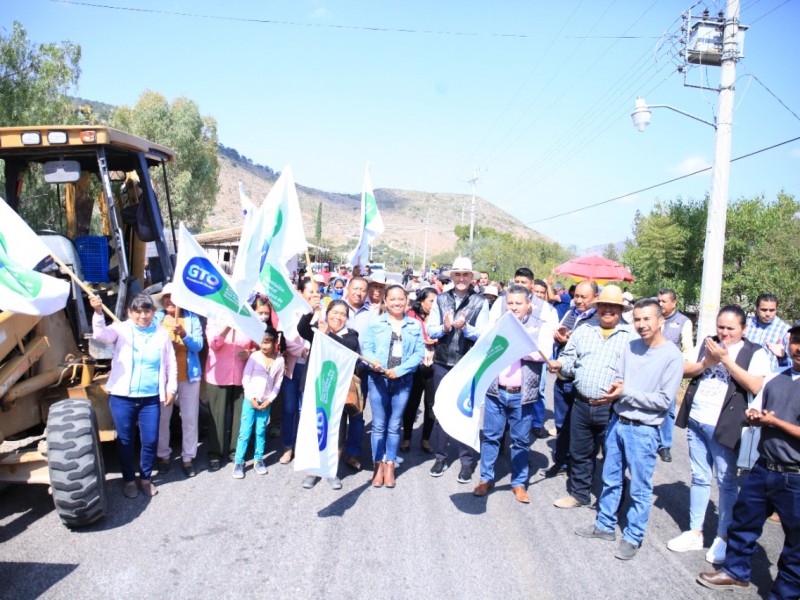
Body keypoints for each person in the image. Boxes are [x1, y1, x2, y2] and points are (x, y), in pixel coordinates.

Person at [574, 299, 684, 560]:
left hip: (644, 430)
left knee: (639, 488)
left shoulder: (672, 356)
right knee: (610, 479)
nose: (642, 324)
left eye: (647, 319)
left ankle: (633, 537)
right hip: (618, 423)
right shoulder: (631, 347)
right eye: (637, 319)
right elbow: (620, 381)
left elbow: (664, 401)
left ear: (661, 321)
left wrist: (626, 393)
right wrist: (613, 391)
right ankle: (604, 525)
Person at [697, 321, 800, 597]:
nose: (798, 348)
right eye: (796, 340)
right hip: (764, 467)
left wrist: (775, 422)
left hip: (795, 476)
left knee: (796, 540)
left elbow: (778, 422)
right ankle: (735, 572)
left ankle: (785, 592)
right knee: (743, 522)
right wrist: (755, 418)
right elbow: (754, 410)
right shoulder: (777, 377)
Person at [668, 305, 770, 564]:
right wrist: (707, 363)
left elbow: (757, 385)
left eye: (730, 329)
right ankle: (694, 531)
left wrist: (726, 361)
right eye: (720, 327)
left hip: (727, 424)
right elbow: (685, 369)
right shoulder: (708, 344)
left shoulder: (754, 352)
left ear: (744, 329)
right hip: (698, 419)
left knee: (726, 482)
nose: (724, 333)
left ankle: (724, 537)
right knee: (699, 477)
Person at [549, 285, 634, 509]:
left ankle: (612, 502)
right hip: (582, 403)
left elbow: (639, 372)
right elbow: (569, 361)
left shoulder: (632, 336)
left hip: (614, 408)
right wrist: (559, 364)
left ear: (621, 310)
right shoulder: (584, 330)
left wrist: (626, 386)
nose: (608, 310)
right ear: (597, 306)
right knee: (580, 452)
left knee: (614, 457)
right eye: (604, 305)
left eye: (613, 307)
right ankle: (579, 494)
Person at [89, 293, 177, 498]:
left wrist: (171, 389)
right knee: (126, 440)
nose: (142, 316)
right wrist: (98, 312)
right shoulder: (122, 329)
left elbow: (171, 364)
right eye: (137, 312)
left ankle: (145, 478)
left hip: (151, 398)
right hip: (122, 397)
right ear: (129, 313)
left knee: (150, 439)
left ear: (153, 313)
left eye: (147, 311)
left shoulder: (161, 333)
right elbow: (100, 335)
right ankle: (129, 480)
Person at [473, 285, 554, 503]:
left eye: (519, 303)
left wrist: (519, 347)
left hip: (522, 395)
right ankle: (485, 479)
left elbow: (544, 353)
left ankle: (519, 483)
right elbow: (486, 347)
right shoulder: (498, 323)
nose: (514, 307)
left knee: (520, 441)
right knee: (491, 437)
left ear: (529, 305)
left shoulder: (540, 326)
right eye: (510, 303)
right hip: (496, 393)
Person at [427, 257, 489, 483]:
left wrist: (466, 329)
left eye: (466, 275)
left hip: (468, 364)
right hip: (443, 363)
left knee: (467, 412)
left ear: (471, 277)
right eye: (457, 275)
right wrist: (444, 327)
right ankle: (440, 456)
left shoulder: (481, 302)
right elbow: (431, 330)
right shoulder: (440, 299)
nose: (461, 278)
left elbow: (483, 334)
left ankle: (466, 462)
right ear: (451, 277)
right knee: (441, 411)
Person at [362, 285, 425, 488]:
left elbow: (418, 353)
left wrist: (401, 370)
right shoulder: (375, 323)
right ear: (386, 302)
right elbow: (367, 348)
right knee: (379, 425)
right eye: (392, 299)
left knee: (394, 425)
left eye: (401, 299)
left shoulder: (415, 326)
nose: (397, 303)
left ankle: (390, 464)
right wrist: (374, 362)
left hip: (403, 381)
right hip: (378, 379)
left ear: (407, 300)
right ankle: (378, 464)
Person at [297, 299, 361, 489]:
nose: (338, 317)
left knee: (336, 431)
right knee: (314, 427)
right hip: (315, 387)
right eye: (335, 312)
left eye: (343, 314)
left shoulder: (351, 335)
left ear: (347, 319)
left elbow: (348, 347)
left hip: (336, 391)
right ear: (328, 313)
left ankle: (331, 471)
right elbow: (302, 329)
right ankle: (312, 470)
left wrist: (327, 336)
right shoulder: (319, 327)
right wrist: (311, 311)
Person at [546, 280, 598, 478]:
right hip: (562, 377)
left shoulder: (596, 320)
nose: (579, 300)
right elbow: (558, 334)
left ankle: (579, 467)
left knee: (579, 427)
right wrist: (558, 336)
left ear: (595, 298)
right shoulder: (569, 313)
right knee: (561, 422)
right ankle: (561, 460)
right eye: (576, 296)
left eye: (584, 297)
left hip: (580, 380)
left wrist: (572, 341)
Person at [153, 283, 204, 478]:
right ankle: (163, 455)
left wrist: (184, 335)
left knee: (189, 418)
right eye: (166, 297)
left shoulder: (192, 319)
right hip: (164, 377)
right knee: (162, 418)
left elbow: (198, 345)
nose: (169, 300)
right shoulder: (156, 319)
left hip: (188, 375)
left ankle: (188, 457)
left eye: (173, 297)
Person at [204, 315, 259, 472]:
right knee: (217, 416)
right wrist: (227, 327)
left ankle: (236, 450)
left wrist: (249, 352)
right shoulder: (214, 319)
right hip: (218, 375)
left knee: (240, 415)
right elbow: (213, 344)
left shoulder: (247, 319)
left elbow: (257, 345)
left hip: (243, 375)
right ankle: (215, 452)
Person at [278, 277, 320, 465]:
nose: (314, 295)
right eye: (310, 291)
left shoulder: (323, 313)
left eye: (317, 291)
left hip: (312, 367)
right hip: (293, 368)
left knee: (306, 410)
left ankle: (303, 447)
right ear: (301, 293)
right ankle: (288, 446)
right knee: (289, 409)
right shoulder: (290, 313)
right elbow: (285, 341)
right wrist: (301, 351)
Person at [232, 328, 284, 479]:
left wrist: (269, 400)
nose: (264, 346)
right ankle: (239, 462)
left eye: (268, 343)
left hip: (265, 403)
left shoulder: (280, 360)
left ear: (275, 343)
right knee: (245, 432)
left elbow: (277, 383)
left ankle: (258, 459)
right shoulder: (254, 357)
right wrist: (251, 399)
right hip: (251, 401)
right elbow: (246, 379)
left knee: (260, 431)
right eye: (262, 342)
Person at [656, 288, 694, 463]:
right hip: (651, 370)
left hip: (670, 373)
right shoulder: (654, 318)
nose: (661, 304)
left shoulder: (683, 322)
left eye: (664, 301)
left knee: (668, 409)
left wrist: (679, 366)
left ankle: (665, 445)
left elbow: (687, 349)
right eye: (659, 301)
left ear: (674, 303)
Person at [401, 287, 439, 453]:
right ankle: (407, 438)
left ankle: (425, 439)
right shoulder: (411, 316)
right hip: (415, 366)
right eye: (432, 301)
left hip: (434, 365)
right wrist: (425, 340)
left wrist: (437, 339)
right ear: (422, 300)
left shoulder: (440, 317)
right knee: (412, 403)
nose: (434, 304)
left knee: (431, 406)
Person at [341, 276, 371, 470]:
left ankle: (352, 453)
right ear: (348, 289)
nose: (358, 292)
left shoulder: (372, 315)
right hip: (336, 370)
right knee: (335, 414)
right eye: (355, 288)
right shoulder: (337, 309)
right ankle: (331, 452)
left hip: (360, 372)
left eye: (362, 290)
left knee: (356, 415)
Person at [745, 293, 791, 373]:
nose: (768, 314)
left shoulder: (785, 330)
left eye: (772, 310)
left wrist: (783, 357)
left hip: (769, 381)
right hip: (743, 376)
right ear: (757, 308)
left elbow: (792, 365)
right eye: (764, 310)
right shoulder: (746, 324)